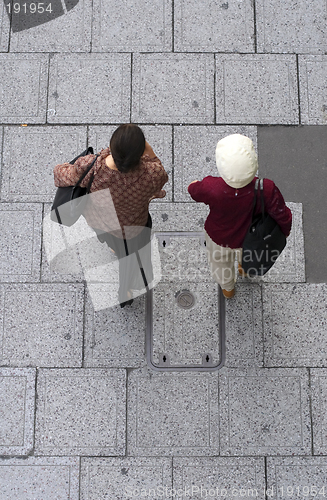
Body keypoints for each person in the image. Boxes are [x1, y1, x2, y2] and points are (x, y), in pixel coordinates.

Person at [53, 123, 168, 307]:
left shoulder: (91, 166)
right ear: (139, 154)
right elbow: (162, 175)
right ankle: (126, 290)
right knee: (131, 258)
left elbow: (62, 175)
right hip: (133, 226)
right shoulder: (150, 174)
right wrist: (151, 153)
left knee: (111, 240)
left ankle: (115, 249)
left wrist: (64, 166)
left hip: (100, 221)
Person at [188, 133, 292, 298]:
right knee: (247, 255)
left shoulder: (211, 188)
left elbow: (193, 190)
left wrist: (193, 184)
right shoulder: (266, 188)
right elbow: (282, 214)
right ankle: (244, 268)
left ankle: (228, 288)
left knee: (220, 264)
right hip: (250, 238)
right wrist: (284, 232)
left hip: (218, 237)